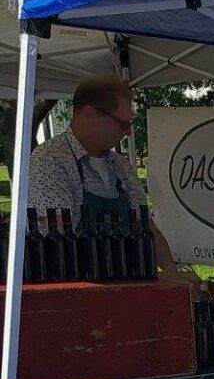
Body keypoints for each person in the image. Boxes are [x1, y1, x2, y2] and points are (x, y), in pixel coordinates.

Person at [25, 75, 187, 281]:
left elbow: (145, 226)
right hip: (79, 292)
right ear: (91, 114)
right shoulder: (50, 161)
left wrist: (174, 277)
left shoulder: (120, 166)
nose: (129, 132)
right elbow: (57, 235)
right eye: (123, 123)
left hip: (130, 286)